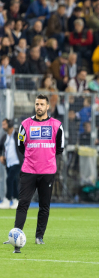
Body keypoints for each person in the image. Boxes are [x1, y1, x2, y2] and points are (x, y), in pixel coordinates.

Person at [3, 94, 64, 253]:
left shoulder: (56, 125)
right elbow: (20, 146)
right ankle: (16, 235)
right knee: (23, 204)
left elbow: (60, 148)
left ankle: (39, 237)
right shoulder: (25, 124)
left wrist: (46, 157)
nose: (39, 107)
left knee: (44, 205)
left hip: (48, 172)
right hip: (29, 171)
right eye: (37, 104)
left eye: (42, 104)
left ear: (47, 107)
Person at [0, 119, 23, 209]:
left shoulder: (18, 135)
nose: (3, 126)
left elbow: (25, 145)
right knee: (13, 182)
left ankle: (7, 199)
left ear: (10, 124)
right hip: (8, 163)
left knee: (9, 179)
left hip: (17, 162)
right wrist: (1, 156)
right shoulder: (4, 137)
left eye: (4, 124)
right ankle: (16, 200)